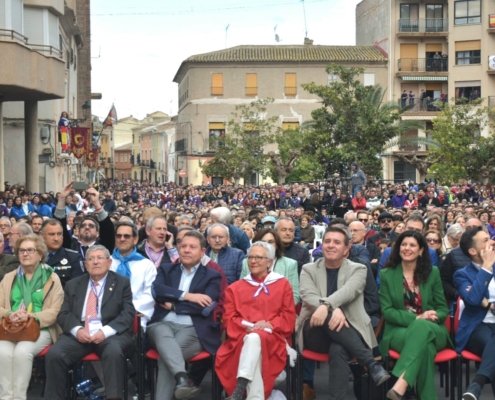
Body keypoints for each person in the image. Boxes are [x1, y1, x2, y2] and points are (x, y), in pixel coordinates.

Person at [298, 226, 390, 400]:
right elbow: (308, 296)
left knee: (338, 348)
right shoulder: (308, 269)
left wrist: (326, 305)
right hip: (315, 330)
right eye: (327, 241)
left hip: (349, 331)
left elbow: (349, 290)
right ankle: (370, 362)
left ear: (347, 249)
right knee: (327, 317)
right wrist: (331, 309)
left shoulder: (359, 269)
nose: (331, 245)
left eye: (337, 242)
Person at [44, 245, 136, 400]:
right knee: (55, 354)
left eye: (100, 258)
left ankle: (114, 397)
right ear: (85, 264)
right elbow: (64, 313)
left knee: (113, 352)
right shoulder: (73, 284)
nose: (95, 262)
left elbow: (128, 313)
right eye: (91, 259)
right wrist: (77, 330)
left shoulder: (122, 283)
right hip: (80, 333)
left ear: (109, 262)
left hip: (109, 333)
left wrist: (105, 331)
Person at [215, 241, 296, 399]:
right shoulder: (235, 288)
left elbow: (288, 316)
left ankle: (240, 387)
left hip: (274, 338)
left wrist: (269, 324)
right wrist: (246, 327)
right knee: (253, 339)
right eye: (250, 257)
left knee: (255, 338)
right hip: (240, 339)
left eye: (259, 257)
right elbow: (229, 319)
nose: (253, 261)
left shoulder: (283, 285)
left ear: (270, 262)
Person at [147, 231, 221, 400]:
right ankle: (183, 380)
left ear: (203, 252)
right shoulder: (166, 269)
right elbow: (157, 291)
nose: (187, 250)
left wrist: (174, 305)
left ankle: (182, 379)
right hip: (161, 324)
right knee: (161, 331)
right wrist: (189, 296)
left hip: (193, 330)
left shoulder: (212, 276)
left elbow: (205, 307)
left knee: (168, 356)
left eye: (192, 247)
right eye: (183, 246)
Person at [379, 231, 451, 400]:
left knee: (422, 328)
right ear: (398, 249)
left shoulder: (432, 272)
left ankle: (401, 381)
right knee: (425, 347)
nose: (407, 248)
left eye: (412, 245)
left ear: (421, 251)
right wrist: (418, 318)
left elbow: (443, 308)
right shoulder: (387, 274)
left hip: (433, 330)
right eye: (404, 245)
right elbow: (387, 311)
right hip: (399, 331)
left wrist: (433, 316)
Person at [0, 234, 64, 399]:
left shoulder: (52, 278)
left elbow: (56, 311)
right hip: (11, 326)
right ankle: (6, 397)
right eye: (21, 250)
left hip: (40, 327)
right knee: (2, 352)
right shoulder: (9, 278)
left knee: (22, 352)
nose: (25, 254)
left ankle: (19, 397)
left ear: (40, 254)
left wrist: (31, 316)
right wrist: (9, 313)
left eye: (30, 250)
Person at [453, 227, 495, 400]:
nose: (492, 242)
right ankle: (477, 383)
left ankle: (477, 383)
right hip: (477, 326)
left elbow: (477, 297)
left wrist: (488, 303)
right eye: (485, 240)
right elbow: (473, 299)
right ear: (472, 251)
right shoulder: (461, 275)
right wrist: (486, 267)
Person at [111, 221, 156, 328]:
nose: (122, 239)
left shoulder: (147, 265)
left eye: (127, 236)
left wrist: (128, 311)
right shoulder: (106, 262)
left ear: (135, 239)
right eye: (119, 236)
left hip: (136, 316)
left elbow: (150, 294)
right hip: (107, 315)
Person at [55, 182, 115, 259]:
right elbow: (59, 226)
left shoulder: (103, 246)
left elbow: (108, 229)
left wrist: (96, 203)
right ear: (78, 232)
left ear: (97, 233)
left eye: (91, 226)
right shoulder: (70, 245)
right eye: (83, 225)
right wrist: (62, 199)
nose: (87, 227)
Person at [240, 228, 300, 305]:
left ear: (277, 245)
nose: (267, 245)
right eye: (263, 242)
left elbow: (295, 296)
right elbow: (242, 292)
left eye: (271, 242)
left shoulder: (290, 264)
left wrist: (272, 311)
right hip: (251, 310)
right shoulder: (246, 262)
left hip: (280, 312)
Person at [41, 219, 85, 288]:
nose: (56, 238)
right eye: (52, 234)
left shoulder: (73, 258)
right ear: (42, 235)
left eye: (59, 234)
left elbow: (77, 288)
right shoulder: (35, 257)